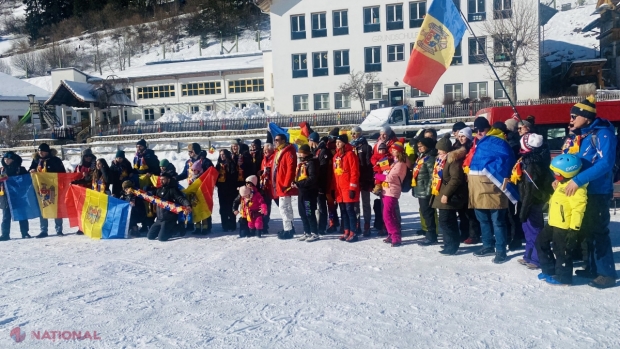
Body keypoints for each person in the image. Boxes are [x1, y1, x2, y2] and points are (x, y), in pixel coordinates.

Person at [562, 96, 617, 289]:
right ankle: (592, 267)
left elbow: (605, 163)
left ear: (586, 117)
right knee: (589, 231)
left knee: (599, 232)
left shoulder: (603, 134)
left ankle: (607, 273)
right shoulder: (583, 136)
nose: (571, 119)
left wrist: (578, 180)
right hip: (584, 191)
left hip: (598, 191)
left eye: (574, 116)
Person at [467, 117, 518, 264]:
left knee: (498, 221)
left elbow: (506, 161)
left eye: (481, 129)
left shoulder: (498, 141)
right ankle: (487, 245)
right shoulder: (479, 143)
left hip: (493, 186)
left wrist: (491, 171)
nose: (479, 132)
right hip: (477, 187)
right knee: (482, 219)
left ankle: (500, 250)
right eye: (476, 130)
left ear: (488, 128)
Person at [536, 154, 587, 286]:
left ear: (567, 172)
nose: (554, 175)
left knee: (561, 251)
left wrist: (574, 229)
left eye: (556, 173)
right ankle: (549, 269)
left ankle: (563, 278)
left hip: (564, 226)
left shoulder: (577, 189)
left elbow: (578, 209)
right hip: (553, 221)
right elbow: (560, 200)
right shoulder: (562, 182)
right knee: (540, 242)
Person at [512, 133, 553, 269]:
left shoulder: (531, 164)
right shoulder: (530, 159)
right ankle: (528, 255)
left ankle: (537, 258)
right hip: (528, 199)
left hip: (532, 201)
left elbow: (530, 189)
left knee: (535, 229)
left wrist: (524, 209)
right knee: (527, 229)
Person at [431, 137, 468, 255]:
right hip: (441, 193)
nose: (438, 152)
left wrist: (446, 193)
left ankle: (452, 244)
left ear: (446, 149)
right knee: (445, 220)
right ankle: (448, 243)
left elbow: (456, 179)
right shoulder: (441, 160)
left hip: (450, 195)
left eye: (440, 149)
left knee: (446, 220)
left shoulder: (452, 160)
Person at [29, 143, 66, 238]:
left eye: (43, 151)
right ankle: (43, 230)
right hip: (41, 189)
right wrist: (32, 170)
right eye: (39, 151)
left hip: (54, 188)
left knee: (56, 208)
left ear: (47, 151)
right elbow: (30, 169)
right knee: (43, 208)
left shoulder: (55, 160)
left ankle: (59, 230)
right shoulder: (36, 160)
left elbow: (62, 173)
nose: (40, 153)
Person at [375, 142, 408, 247]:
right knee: (390, 214)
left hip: (392, 191)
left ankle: (396, 236)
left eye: (394, 150)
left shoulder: (401, 164)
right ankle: (391, 234)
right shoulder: (395, 162)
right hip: (386, 190)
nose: (392, 151)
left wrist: (377, 176)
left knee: (387, 214)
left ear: (399, 151)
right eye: (392, 150)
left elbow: (391, 177)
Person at [147, 173, 191, 242]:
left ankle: (179, 227)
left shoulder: (173, 189)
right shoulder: (159, 190)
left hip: (169, 219)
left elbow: (181, 198)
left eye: (163, 179)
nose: (161, 181)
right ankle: (164, 229)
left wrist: (187, 205)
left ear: (168, 180)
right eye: (160, 179)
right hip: (159, 219)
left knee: (161, 238)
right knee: (150, 236)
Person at [333, 134, 361, 242]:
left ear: (344, 143)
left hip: (348, 188)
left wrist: (352, 188)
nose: (337, 144)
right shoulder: (336, 157)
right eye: (336, 142)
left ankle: (353, 232)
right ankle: (346, 231)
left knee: (350, 210)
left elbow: (354, 172)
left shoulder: (350, 155)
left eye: (339, 142)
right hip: (339, 189)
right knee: (343, 211)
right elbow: (334, 174)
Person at [411, 137, 438, 245]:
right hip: (420, 189)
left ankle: (432, 236)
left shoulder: (430, 158)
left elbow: (432, 177)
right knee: (424, 213)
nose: (419, 148)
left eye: (421, 146)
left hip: (425, 191)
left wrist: (428, 192)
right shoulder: (422, 157)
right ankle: (429, 233)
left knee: (428, 213)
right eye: (418, 146)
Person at [0, 152, 31, 240]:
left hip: (19, 195)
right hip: (6, 196)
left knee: (22, 215)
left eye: (8, 159)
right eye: (5, 159)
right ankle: (5, 234)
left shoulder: (20, 169)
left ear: (13, 159)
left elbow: (27, 181)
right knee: (6, 216)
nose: (6, 161)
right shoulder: (2, 170)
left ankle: (25, 232)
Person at [273, 134, 298, 239]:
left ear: (283, 140)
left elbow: (291, 169)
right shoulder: (279, 151)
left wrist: (286, 184)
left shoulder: (288, 152)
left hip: (284, 185)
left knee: (284, 208)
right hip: (280, 183)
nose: (276, 141)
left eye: (277, 140)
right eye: (275, 140)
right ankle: (290, 227)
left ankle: (288, 230)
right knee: (286, 207)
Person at [350, 126, 374, 236]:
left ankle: (367, 224)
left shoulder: (366, 147)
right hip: (354, 179)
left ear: (359, 133)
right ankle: (357, 223)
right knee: (355, 203)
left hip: (364, 178)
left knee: (365, 202)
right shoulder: (350, 147)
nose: (352, 135)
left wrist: (369, 179)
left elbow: (369, 164)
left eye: (354, 133)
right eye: (351, 133)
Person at [294, 144, 320, 242]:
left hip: (309, 191)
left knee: (309, 212)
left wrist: (300, 184)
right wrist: (295, 182)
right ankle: (307, 231)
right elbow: (299, 176)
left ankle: (314, 232)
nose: (299, 155)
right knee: (302, 212)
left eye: (301, 153)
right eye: (299, 153)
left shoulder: (311, 163)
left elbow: (312, 178)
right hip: (302, 191)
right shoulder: (302, 163)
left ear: (306, 153)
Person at [314, 134, 338, 234]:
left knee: (332, 205)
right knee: (331, 205)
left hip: (330, 182)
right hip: (329, 182)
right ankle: (333, 223)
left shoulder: (325, 151)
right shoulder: (323, 150)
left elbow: (324, 169)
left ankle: (333, 223)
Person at [216, 149, 238, 232]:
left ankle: (232, 224)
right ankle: (224, 224)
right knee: (223, 207)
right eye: (221, 154)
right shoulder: (218, 164)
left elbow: (234, 176)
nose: (222, 156)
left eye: (223, 154)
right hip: (221, 189)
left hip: (230, 189)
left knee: (230, 207)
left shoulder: (231, 163)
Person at [259, 140, 276, 235]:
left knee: (282, 207)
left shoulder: (275, 157)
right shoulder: (264, 159)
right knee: (265, 208)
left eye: (267, 150)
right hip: (265, 188)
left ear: (271, 150)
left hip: (274, 187)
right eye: (264, 150)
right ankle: (264, 226)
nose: (265, 152)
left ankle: (289, 226)